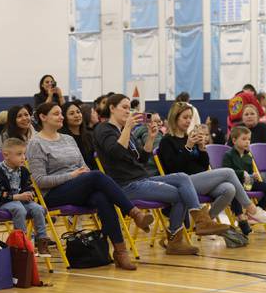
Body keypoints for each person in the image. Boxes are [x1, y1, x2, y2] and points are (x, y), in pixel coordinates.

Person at [94, 94, 230, 254]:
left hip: (141, 178)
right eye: (124, 107)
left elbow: (142, 158)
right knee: (181, 193)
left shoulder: (125, 131)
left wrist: (150, 138)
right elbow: (116, 152)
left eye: (129, 107)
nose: (128, 111)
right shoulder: (103, 129)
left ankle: (199, 221)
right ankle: (177, 237)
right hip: (125, 185)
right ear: (111, 108)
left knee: (182, 177)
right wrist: (128, 128)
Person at [26, 102, 154, 271]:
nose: (61, 116)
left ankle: (120, 251)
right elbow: (40, 180)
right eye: (56, 114)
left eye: (61, 114)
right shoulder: (36, 143)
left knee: (102, 197)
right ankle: (134, 212)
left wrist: (81, 173)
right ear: (43, 117)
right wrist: (72, 176)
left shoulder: (68, 139)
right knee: (96, 176)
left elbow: (82, 165)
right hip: (53, 194)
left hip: (78, 186)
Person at [158, 102, 266, 225]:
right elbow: (174, 168)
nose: (188, 120)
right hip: (181, 183)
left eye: (190, 117)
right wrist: (188, 147)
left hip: (198, 182)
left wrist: (202, 149)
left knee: (229, 189)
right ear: (175, 118)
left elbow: (203, 166)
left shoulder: (189, 137)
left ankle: (205, 222)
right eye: (185, 117)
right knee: (229, 172)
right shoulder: (167, 141)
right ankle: (252, 210)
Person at [0, 138, 54, 256]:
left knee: (38, 209)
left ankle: (42, 241)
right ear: (6, 155)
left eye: (24, 154)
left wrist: (30, 193)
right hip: (3, 203)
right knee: (19, 209)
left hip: (22, 201)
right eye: (19, 154)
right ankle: (22, 243)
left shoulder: (23, 170)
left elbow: (29, 187)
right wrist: (18, 197)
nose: (23, 157)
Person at [223, 126, 266, 236]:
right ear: (234, 140)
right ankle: (241, 219)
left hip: (247, 184)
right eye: (244, 139)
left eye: (249, 139)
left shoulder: (248, 155)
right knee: (235, 191)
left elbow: (249, 173)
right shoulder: (228, 155)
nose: (247, 142)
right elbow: (226, 171)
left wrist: (253, 176)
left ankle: (257, 211)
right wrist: (241, 173)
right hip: (235, 184)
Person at [60, 101, 97, 170]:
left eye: (78, 112)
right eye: (71, 113)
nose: (77, 115)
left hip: (92, 172)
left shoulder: (89, 136)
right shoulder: (62, 138)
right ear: (64, 117)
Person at [133, 112, 164, 177]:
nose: (158, 124)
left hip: (146, 172)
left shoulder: (137, 132)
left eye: (159, 121)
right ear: (147, 123)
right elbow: (161, 154)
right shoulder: (149, 133)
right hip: (155, 172)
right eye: (155, 121)